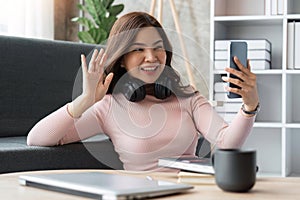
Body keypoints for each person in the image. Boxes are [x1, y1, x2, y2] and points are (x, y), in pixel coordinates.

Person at [27, 12, 259, 172]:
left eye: (158, 48)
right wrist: (85, 100)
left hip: (192, 191)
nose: (151, 57)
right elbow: (37, 139)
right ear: (122, 59)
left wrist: (250, 106)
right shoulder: (108, 106)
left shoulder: (188, 97)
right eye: (139, 49)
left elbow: (227, 142)